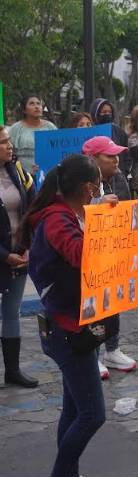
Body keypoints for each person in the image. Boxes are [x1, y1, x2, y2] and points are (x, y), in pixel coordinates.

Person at [22, 155, 112, 477]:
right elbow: (81, 255)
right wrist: (104, 220)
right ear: (89, 188)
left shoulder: (64, 214)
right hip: (67, 327)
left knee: (74, 408)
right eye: (98, 186)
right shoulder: (57, 220)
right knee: (92, 414)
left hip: (75, 323)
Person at [81, 136, 137, 380]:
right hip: (86, 253)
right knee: (92, 307)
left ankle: (112, 349)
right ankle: (91, 353)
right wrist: (97, 204)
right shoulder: (79, 183)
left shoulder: (119, 179)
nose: (116, 160)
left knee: (113, 301)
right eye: (109, 156)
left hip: (114, 250)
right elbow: (70, 213)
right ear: (93, 159)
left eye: (117, 155)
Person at [0, 126, 37, 388]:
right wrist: (4, 255)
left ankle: (12, 371)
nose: (9, 146)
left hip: (18, 254)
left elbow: (33, 208)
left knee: (12, 312)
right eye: (3, 143)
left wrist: (28, 246)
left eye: (9, 141)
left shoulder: (18, 171)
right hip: (3, 256)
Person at [9, 95, 57, 174]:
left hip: (47, 175)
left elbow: (56, 152)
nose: (36, 107)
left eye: (38, 104)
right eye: (32, 104)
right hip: (23, 177)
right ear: (24, 110)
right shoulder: (15, 129)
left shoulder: (51, 127)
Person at [89, 98, 133, 184]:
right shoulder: (88, 133)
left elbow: (127, 153)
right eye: (104, 112)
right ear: (96, 113)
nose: (107, 114)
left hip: (118, 177)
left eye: (109, 112)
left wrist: (127, 171)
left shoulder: (119, 131)